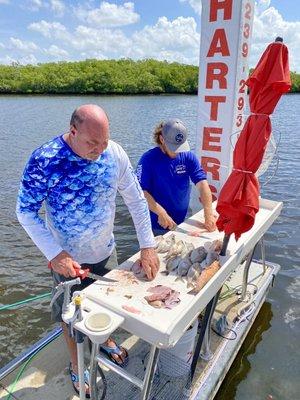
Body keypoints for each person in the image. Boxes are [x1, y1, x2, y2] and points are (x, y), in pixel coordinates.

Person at [16, 104, 159, 397]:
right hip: (66, 260)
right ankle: (76, 363)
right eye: (92, 143)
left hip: (106, 250)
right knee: (72, 318)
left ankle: (104, 341)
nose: (99, 150)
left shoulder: (114, 154)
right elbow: (25, 211)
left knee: (108, 304)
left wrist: (147, 245)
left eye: (104, 142)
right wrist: (55, 254)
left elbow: (135, 200)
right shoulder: (45, 159)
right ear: (73, 131)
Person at [136, 119, 216, 235]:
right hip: (156, 223)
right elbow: (139, 191)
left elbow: (202, 184)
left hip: (181, 220)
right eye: (173, 147)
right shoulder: (148, 159)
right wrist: (161, 213)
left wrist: (208, 213)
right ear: (162, 139)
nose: (177, 152)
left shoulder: (188, 156)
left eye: (180, 147)